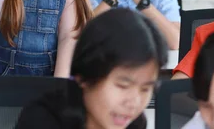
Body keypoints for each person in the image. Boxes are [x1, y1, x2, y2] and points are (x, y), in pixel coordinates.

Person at [15, 8, 168, 129]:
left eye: (145, 89)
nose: (134, 103)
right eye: (123, 86)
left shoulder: (134, 123)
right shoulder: (42, 120)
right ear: (84, 77)